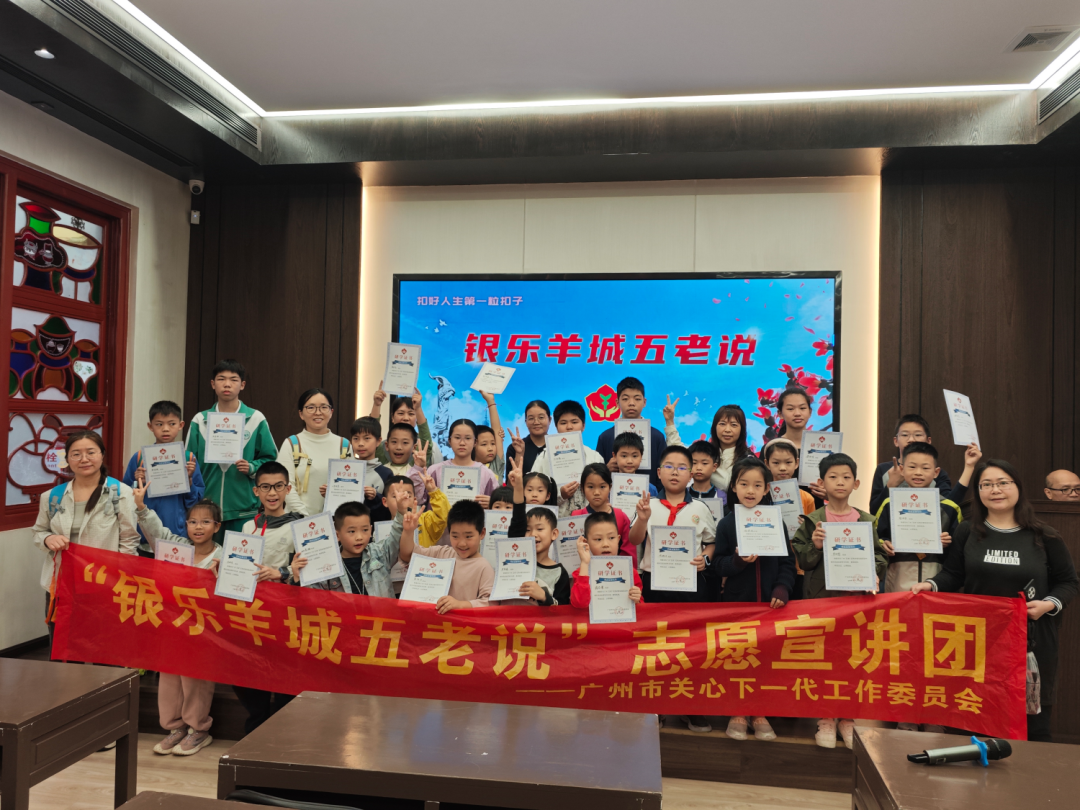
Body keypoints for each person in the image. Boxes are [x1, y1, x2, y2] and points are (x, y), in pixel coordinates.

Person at [913, 459, 1079, 742]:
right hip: (979, 641)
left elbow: (1069, 582)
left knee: (1030, 724)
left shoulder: (1044, 535)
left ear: (1017, 487)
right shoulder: (967, 531)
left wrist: (1048, 604)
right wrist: (929, 585)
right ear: (978, 492)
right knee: (974, 714)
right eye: (986, 484)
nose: (995, 490)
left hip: (1030, 642)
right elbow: (953, 574)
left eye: (1003, 483)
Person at [791, 452, 888, 749]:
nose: (840, 482)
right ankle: (825, 717)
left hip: (856, 603)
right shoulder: (812, 520)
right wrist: (815, 545)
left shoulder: (866, 520)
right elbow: (804, 561)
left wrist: (872, 571)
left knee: (853, 660)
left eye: (846, 477)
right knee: (824, 660)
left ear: (856, 483)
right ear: (821, 483)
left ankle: (847, 717)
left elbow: (879, 557)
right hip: (821, 601)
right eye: (833, 477)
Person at [132, 484, 221, 756]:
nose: (198, 527)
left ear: (217, 526)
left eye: (205, 522)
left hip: (204, 629)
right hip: (173, 624)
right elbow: (156, 532)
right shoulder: (178, 549)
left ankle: (198, 729)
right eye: (192, 522)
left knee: (196, 679)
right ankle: (175, 727)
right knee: (169, 677)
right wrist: (141, 507)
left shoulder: (224, 557)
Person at [712, 457, 796, 741]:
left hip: (771, 607)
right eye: (744, 484)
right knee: (738, 658)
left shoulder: (776, 521)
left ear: (767, 489)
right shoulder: (726, 524)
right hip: (738, 606)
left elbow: (787, 562)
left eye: (757, 485)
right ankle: (737, 711)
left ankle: (759, 711)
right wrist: (737, 562)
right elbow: (718, 565)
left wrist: (782, 588)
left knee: (765, 660)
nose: (750, 490)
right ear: (734, 487)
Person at [34, 431, 139, 647]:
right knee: (65, 648)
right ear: (67, 459)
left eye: (91, 452)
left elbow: (129, 540)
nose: (84, 459)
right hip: (62, 585)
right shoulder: (52, 497)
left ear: (102, 455)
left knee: (105, 649)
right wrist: (48, 539)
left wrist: (120, 581)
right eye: (76, 454)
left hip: (105, 585)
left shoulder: (121, 493)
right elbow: (38, 531)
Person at [232, 461, 304, 734]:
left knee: (284, 675)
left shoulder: (299, 526)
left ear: (288, 489)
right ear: (256, 491)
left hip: (286, 612)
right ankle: (256, 728)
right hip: (252, 613)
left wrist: (281, 572)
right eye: (265, 487)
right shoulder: (247, 527)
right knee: (250, 676)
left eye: (277, 486)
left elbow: (308, 570)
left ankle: (281, 733)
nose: (272, 493)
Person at [186, 359, 277, 537]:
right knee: (209, 555)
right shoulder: (200, 420)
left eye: (233, 379)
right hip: (206, 510)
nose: (227, 384)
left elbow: (271, 461)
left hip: (244, 510)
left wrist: (251, 467)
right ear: (213, 384)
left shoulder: (256, 419)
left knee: (240, 555)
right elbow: (189, 460)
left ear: (242, 385)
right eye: (221, 379)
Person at [876, 442, 981, 593]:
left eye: (925, 468)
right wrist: (884, 544)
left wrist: (948, 542)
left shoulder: (949, 508)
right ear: (902, 470)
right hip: (898, 578)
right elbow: (877, 539)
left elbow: (959, 552)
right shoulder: (889, 504)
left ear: (936, 472)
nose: (918, 473)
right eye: (912, 467)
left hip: (936, 579)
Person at [632, 446, 716, 603]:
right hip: (654, 582)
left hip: (690, 581)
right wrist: (642, 519)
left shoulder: (701, 508)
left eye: (682, 468)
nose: (675, 472)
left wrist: (704, 559)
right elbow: (634, 540)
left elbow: (711, 542)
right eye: (669, 466)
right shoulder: (648, 505)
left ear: (690, 476)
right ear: (659, 473)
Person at [123, 400, 204, 549]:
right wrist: (137, 482)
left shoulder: (189, 459)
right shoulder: (139, 457)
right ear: (150, 426)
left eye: (172, 424)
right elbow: (126, 496)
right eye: (159, 424)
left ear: (181, 425)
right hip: (144, 534)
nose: (165, 429)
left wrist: (189, 482)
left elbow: (196, 503)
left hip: (177, 533)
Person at [397, 500, 494, 612]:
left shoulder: (484, 567)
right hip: (435, 621)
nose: (462, 543)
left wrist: (460, 605)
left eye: (468, 536)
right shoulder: (442, 553)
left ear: (482, 533)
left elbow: (490, 603)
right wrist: (408, 532)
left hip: (463, 623)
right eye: (455, 536)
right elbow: (409, 555)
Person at [290, 501, 399, 599]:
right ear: (337, 535)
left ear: (371, 530)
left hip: (380, 615)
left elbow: (397, 536)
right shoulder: (327, 564)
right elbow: (314, 599)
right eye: (352, 531)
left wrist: (402, 512)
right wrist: (298, 577)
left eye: (365, 530)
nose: (359, 537)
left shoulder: (379, 553)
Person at [276, 388, 351, 516]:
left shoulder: (344, 445)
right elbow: (285, 485)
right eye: (311, 407)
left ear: (331, 412)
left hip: (335, 519)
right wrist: (305, 517)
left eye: (324, 407)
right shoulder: (292, 444)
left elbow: (350, 488)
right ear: (301, 414)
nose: (318, 412)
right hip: (297, 519)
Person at [507, 459, 571, 605]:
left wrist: (544, 596)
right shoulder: (514, 565)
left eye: (540, 529)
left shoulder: (559, 573)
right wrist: (518, 487)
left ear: (554, 534)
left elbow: (563, 611)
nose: (533, 534)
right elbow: (517, 519)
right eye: (527, 530)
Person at [763, 437, 820, 600]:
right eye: (776, 463)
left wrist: (806, 528)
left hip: (797, 566)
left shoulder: (807, 498)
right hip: (767, 565)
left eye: (788, 462)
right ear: (767, 464)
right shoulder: (761, 496)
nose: (782, 468)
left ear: (796, 463)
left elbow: (812, 538)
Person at [530, 400, 605, 514]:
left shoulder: (595, 457)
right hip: (556, 519)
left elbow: (603, 490)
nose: (569, 427)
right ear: (556, 427)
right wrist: (560, 494)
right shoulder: (544, 457)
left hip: (589, 519)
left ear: (583, 426)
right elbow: (533, 492)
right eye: (563, 423)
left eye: (574, 422)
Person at [869, 415, 952, 515]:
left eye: (918, 435)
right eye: (905, 435)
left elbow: (949, 507)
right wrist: (890, 485)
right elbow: (874, 512)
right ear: (896, 441)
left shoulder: (937, 473)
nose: (911, 439)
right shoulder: (883, 469)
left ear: (928, 441)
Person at [595, 377, 667, 489]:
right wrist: (606, 469)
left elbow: (663, 472)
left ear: (644, 402)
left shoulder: (657, 437)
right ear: (617, 402)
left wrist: (657, 497)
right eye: (625, 399)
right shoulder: (605, 437)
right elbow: (595, 477)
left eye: (637, 399)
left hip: (650, 496)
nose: (631, 403)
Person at [665, 399, 750, 492]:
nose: (727, 430)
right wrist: (669, 422)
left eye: (734, 425)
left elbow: (728, 485)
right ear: (714, 427)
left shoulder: (747, 459)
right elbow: (678, 450)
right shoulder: (707, 451)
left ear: (742, 429)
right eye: (722, 424)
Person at [569, 511, 644, 607]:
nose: (605, 544)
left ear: (618, 539)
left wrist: (637, 599)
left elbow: (640, 607)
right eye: (598, 539)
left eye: (611, 538)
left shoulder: (630, 572)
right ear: (586, 542)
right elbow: (579, 603)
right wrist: (584, 563)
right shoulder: (581, 572)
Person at [571, 462, 645, 559]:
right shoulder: (576, 517)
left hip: (614, 568)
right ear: (582, 488)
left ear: (610, 487)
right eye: (590, 487)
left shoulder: (620, 516)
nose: (596, 492)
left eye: (602, 487)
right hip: (584, 568)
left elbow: (628, 554)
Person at [771, 386, 826, 503]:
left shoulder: (823, 447)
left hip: (816, 511)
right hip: (782, 510)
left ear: (810, 412)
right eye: (790, 409)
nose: (797, 413)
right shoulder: (771, 448)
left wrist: (829, 493)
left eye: (802, 408)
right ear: (780, 414)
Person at [429, 419, 500, 508]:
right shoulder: (435, 471)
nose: (462, 443)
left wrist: (493, 504)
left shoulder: (487, 474)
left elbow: (499, 506)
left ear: (475, 442)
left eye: (468, 438)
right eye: (457, 438)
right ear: (449, 441)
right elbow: (420, 499)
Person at [371, 385, 441, 467]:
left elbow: (426, 442)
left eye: (411, 414)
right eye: (401, 413)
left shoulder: (422, 447)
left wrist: (418, 408)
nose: (406, 418)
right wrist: (377, 405)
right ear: (392, 418)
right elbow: (372, 435)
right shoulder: (382, 446)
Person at [385, 473, 448, 549]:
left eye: (408, 496)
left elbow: (443, 516)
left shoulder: (425, 521)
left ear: (414, 500)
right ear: (385, 501)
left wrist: (434, 491)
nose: (402, 500)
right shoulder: (381, 529)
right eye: (395, 496)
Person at [348, 417, 393, 521]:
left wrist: (375, 497)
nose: (360, 443)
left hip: (373, 527)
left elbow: (390, 508)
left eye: (367, 438)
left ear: (378, 441)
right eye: (356, 438)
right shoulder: (345, 469)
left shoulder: (385, 473)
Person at [382, 422, 428, 504]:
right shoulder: (381, 471)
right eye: (394, 442)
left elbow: (419, 499)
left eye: (405, 443)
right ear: (387, 445)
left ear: (414, 447)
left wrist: (419, 468)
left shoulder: (416, 473)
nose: (399, 447)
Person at [506, 400, 551, 477]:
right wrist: (519, 454)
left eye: (541, 417)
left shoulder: (556, 446)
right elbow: (510, 483)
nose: (536, 422)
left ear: (549, 420)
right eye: (531, 418)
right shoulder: (514, 448)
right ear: (526, 422)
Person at [611, 432, 659, 497]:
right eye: (624, 456)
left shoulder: (650, 489)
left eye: (634, 456)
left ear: (641, 457)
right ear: (614, 456)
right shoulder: (606, 486)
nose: (629, 461)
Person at [476, 390, 506, 480]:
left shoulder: (495, 466)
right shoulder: (464, 468)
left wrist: (491, 401)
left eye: (493, 443)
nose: (490, 448)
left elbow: (496, 431)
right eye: (484, 444)